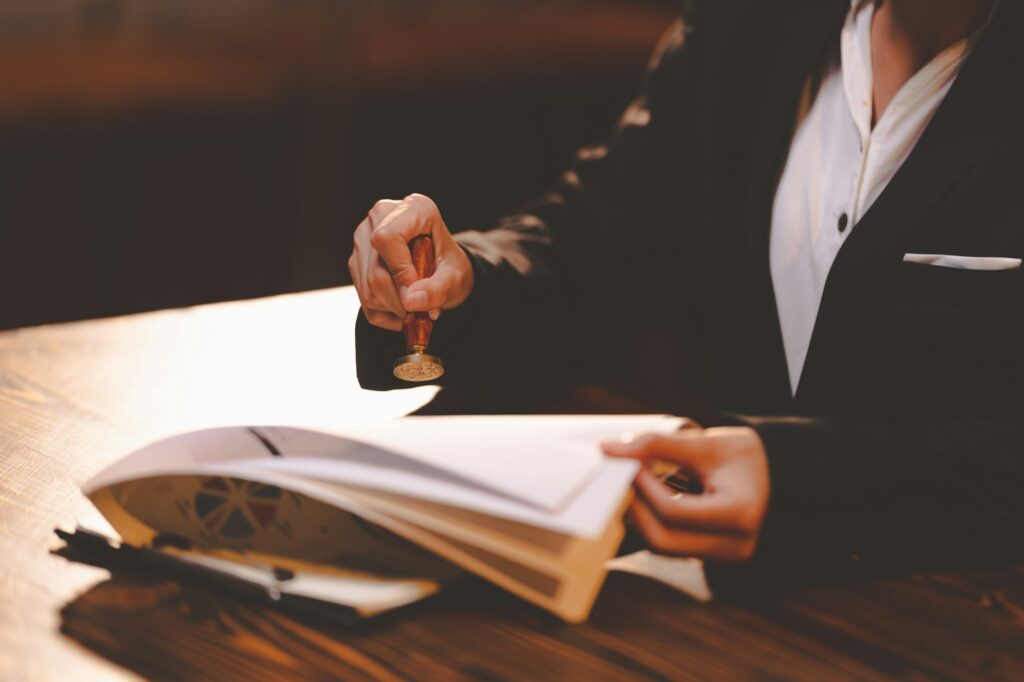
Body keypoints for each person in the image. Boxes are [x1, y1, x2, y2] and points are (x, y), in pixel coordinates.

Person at [348, 0, 1022, 590]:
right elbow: (596, 243)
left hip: (960, 627)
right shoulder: (751, 19)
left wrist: (802, 483)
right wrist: (458, 281)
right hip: (735, 619)